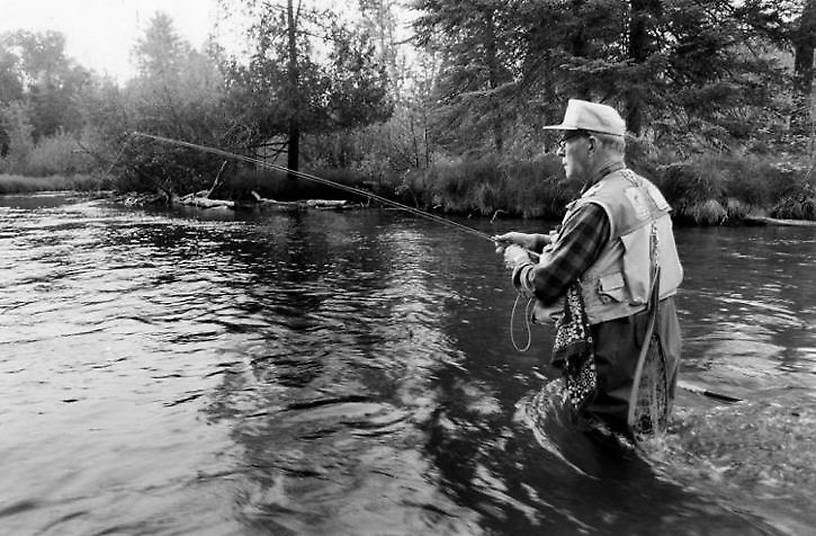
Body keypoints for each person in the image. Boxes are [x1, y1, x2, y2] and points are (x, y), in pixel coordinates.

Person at [495, 99, 683, 439]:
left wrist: (518, 261)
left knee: (608, 438)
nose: (559, 151)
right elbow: (604, 249)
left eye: (566, 141)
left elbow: (546, 283)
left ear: (592, 144)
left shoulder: (595, 207)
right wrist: (535, 240)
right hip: (661, 329)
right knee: (649, 428)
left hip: (619, 341)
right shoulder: (642, 188)